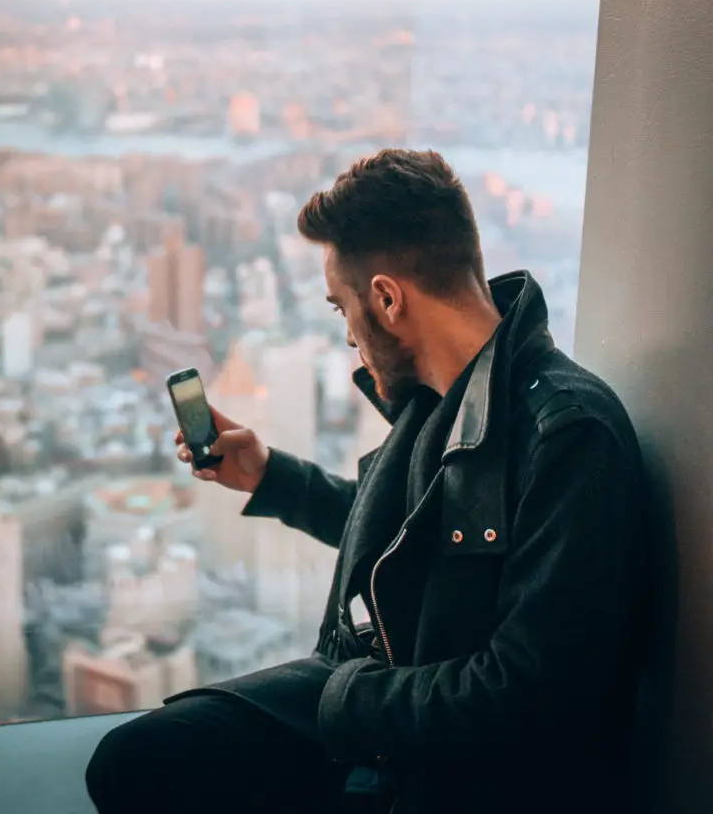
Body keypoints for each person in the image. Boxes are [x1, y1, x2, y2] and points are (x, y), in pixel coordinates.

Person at [86, 149, 649, 814]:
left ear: (385, 296)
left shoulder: (567, 434)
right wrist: (272, 477)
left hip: (428, 743)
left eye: (338, 307)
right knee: (136, 760)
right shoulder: (447, 399)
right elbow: (409, 538)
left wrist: (346, 698)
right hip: (378, 705)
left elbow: (528, 691)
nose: (348, 334)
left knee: (151, 767)